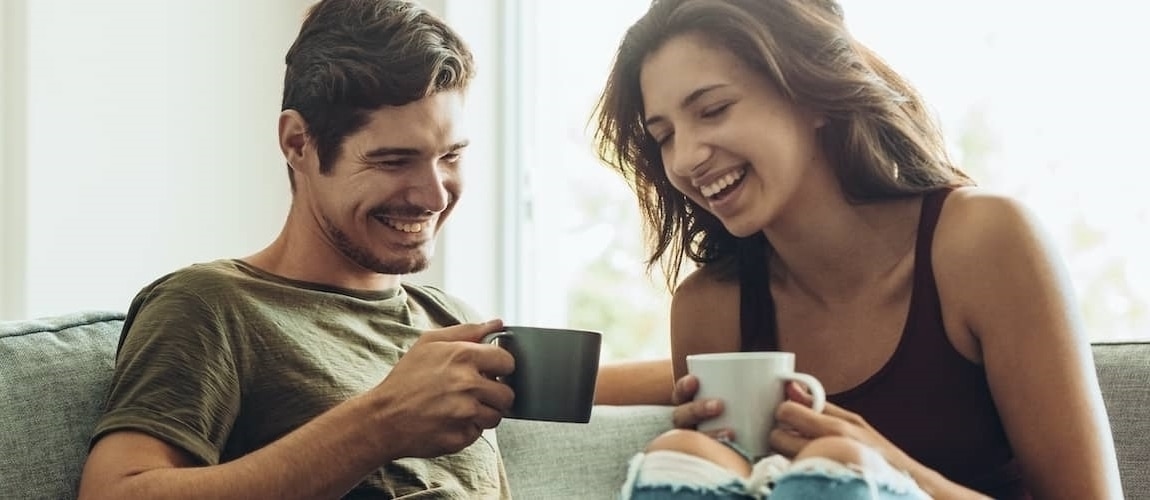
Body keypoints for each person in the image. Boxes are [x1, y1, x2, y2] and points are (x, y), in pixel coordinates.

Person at [593, 0, 1124, 499]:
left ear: (812, 95)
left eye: (713, 109)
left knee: (840, 461)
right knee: (680, 451)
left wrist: (893, 472)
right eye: (663, 136)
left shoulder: (985, 244)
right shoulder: (710, 306)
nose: (685, 158)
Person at [79, 1, 519, 498]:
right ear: (298, 144)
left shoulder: (451, 320)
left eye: (451, 156)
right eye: (395, 161)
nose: (435, 195)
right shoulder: (212, 306)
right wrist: (379, 425)